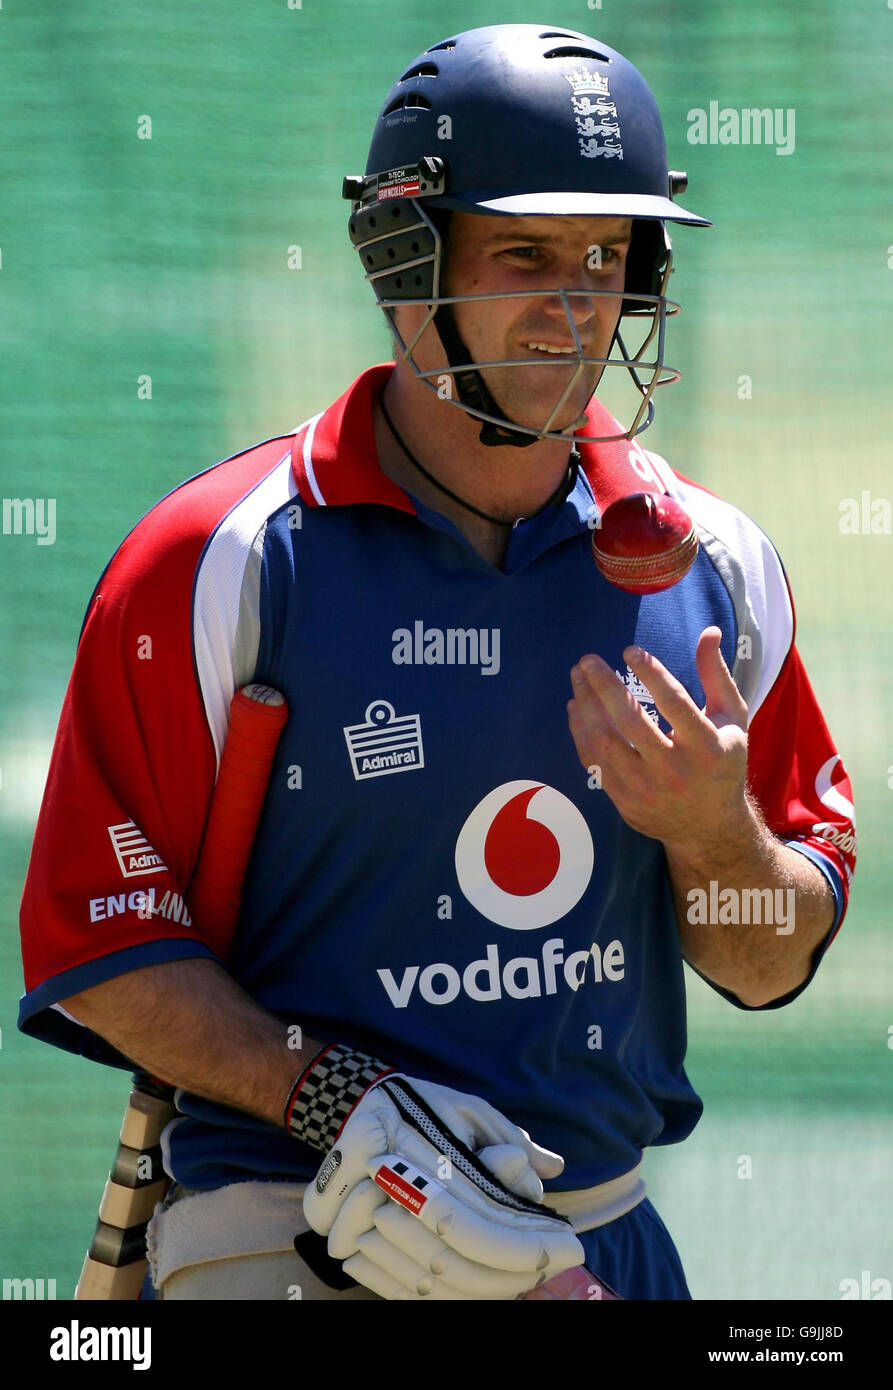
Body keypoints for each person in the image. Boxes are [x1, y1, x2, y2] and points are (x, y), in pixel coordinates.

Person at [18, 23, 856, 1301]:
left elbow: (761, 958)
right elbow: (102, 944)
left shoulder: (710, 565)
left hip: (602, 1244)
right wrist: (336, 1097)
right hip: (291, 1227)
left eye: (606, 257)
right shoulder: (221, 559)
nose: (576, 303)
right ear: (404, 260)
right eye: (524, 253)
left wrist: (713, 837)